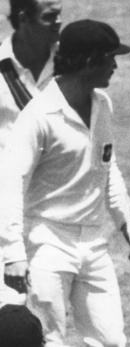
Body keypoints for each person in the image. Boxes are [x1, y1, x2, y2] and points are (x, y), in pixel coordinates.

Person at [0, 19, 130, 347]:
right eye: (109, 58)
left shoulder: (103, 104)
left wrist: (126, 217)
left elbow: (107, 164)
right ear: (86, 61)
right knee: (47, 344)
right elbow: (10, 182)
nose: (114, 65)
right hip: (46, 242)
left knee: (112, 345)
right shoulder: (39, 116)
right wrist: (13, 252)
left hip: (93, 244)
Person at [0, 0, 62, 304]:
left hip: (54, 211)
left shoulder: (69, 63)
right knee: (10, 313)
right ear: (24, 18)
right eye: (51, 17)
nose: (59, 23)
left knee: (48, 317)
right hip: (7, 206)